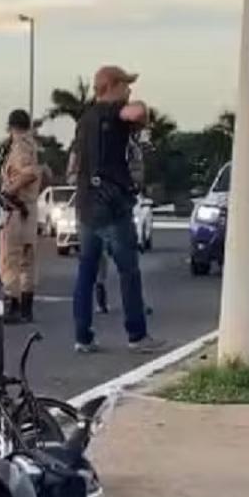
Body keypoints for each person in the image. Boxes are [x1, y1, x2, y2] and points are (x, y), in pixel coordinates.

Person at [67, 65, 164, 354]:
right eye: (125, 85)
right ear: (110, 86)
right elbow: (133, 113)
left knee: (86, 270)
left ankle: (82, 335)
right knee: (128, 270)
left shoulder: (84, 120)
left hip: (86, 206)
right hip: (111, 205)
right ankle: (137, 334)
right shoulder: (111, 112)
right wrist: (139, 109)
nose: (129, 90)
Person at [0, 109, 42, 324]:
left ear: (11, 126)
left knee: (10, 260)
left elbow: (29, 173)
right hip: (29, 209)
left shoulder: (19, 147)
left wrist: (10, 190)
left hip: (16, 209)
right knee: (28, 261)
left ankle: (12, 305)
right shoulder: (32, 145)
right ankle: (27, 306)